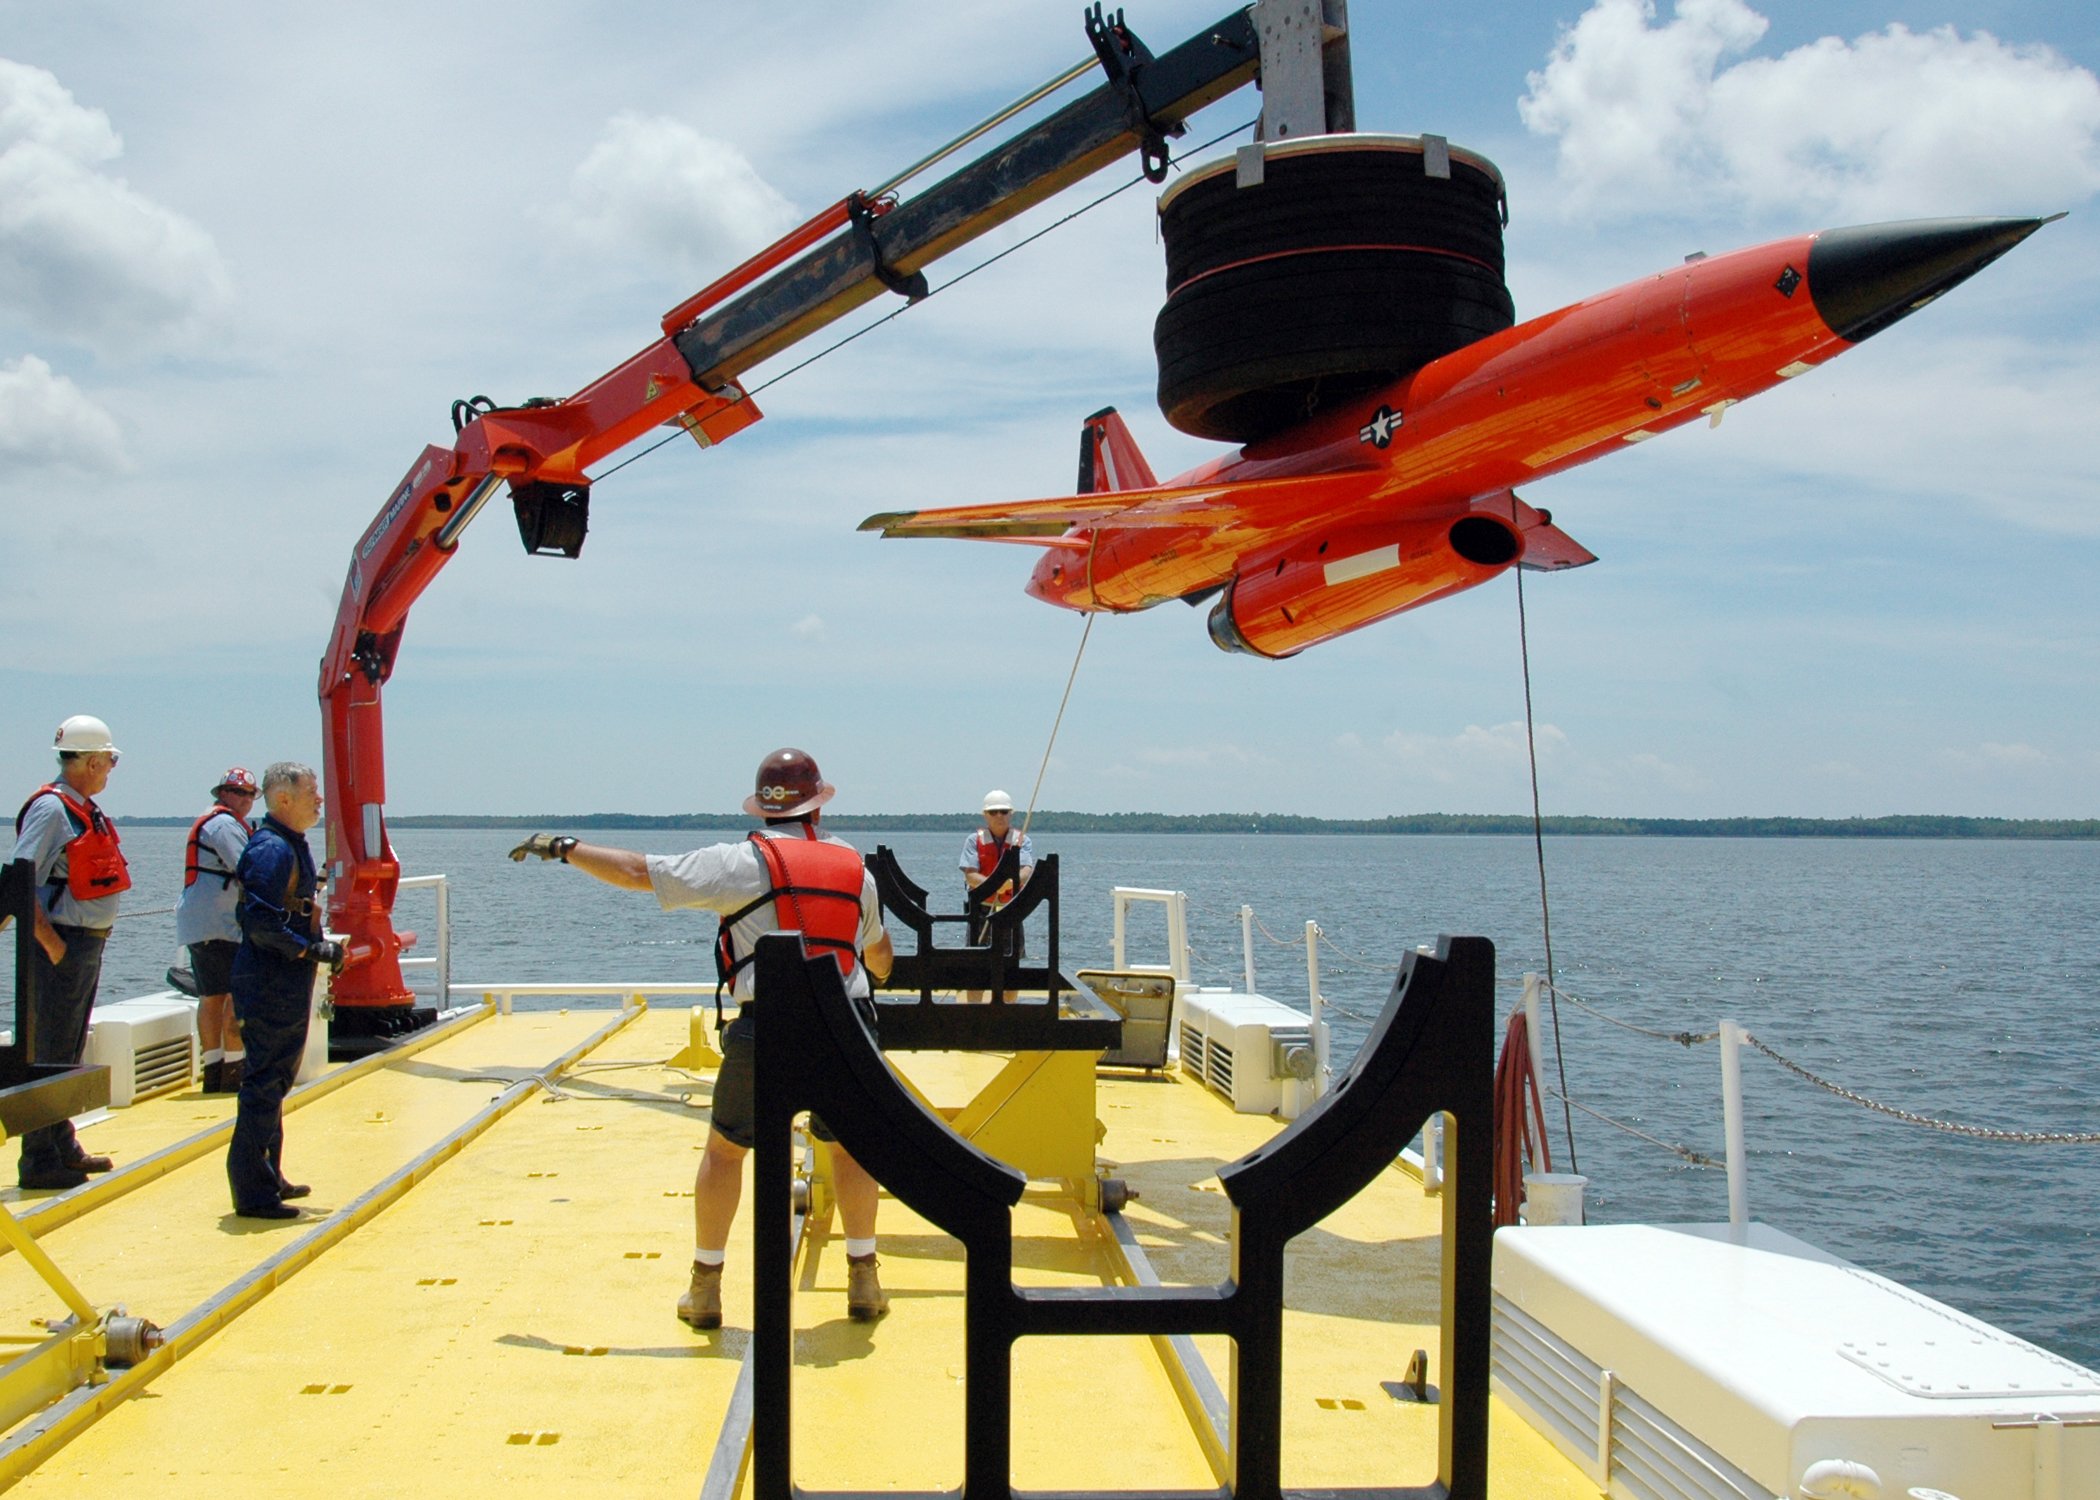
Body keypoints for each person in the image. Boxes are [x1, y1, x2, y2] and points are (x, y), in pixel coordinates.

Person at [508, 747, 895, 1330]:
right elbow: (880, 958)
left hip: (768, 1028)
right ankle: (863, 1277)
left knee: (725, 1149)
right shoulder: (853, 869)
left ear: (764, 809)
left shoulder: (738, 863)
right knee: (848, 1149)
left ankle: (706, 1288)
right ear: (817, 806)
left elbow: (640, 872)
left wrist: (565, 848)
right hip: (847, 1026)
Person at [5, 716, 130, 1190]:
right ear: (92, 760)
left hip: (82, 944)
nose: (110, 769)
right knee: (50, 1048)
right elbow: (21, 879)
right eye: (110, 761)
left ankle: (62, 1143)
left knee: (69, 1048)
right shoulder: (52, 811)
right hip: (60, 946)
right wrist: (52, 943)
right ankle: (38, 1159)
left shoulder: (81, 808)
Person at [225, 762, 343, 1220]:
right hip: (268, 982)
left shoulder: (290, 844)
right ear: (283, 799)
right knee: (263, 1083)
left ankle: (269, 1174)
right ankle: (252, 1191)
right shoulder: (271, 849)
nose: (319, 801)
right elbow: (258, 922)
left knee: (277, 1080)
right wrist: (310, 951)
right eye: (312, 793)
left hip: (284, 982)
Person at [176, 767, 260, 1094]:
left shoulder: (213, 821)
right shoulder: (224, 824)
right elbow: (248, 869)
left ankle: (213, 1072)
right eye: (237, 792)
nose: (244, 799)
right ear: (222, 794)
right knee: (231, 998)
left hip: (200, 922)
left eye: (250, 794)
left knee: (210, 996)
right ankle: (234, 1072)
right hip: (221, 924)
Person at [958, 788, 1034, 1003]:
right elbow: (971, 875)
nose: (999, 816)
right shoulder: (974, 841)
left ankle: (1007, 1012)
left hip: (1010, 911)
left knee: (1011, 968)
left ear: (1011, 813)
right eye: (993, 812)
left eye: (1003, 811)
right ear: (985, 815)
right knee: (977, 969)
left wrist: (1011, 883)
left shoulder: (1021, 840)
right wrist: (995, 885)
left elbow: (1027, 869)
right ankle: (975, 1013)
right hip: (981, 911)